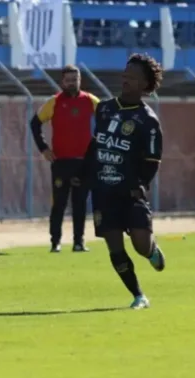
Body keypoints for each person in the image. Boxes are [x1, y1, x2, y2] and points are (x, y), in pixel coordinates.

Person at [76, 53, 166, 310]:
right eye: (125, 75)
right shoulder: (104, 108)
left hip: (130, 192)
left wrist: (141, 184)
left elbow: (153, 159)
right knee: (114, 246)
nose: (125, 80)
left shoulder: (148, 121)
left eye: (132, 77)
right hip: (104, 190)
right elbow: (96, 143)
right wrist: (83, 173)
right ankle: (139, 295)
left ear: (144, 84)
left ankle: (151, 251)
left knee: (140, 244)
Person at [30, 65, 99, 253]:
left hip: (84, 163)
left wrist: (98, 147)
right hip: (61, 162)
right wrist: (43, 148)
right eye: (68, 80)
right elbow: (35, 123)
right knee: (59, 204)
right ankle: (55, 242)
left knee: (80, 203)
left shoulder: (90, 101)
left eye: (74, 80)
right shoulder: (54, 102)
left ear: (79, 81)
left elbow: (107, 119)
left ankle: (79, 242)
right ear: (62, 82)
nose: (71, 83)